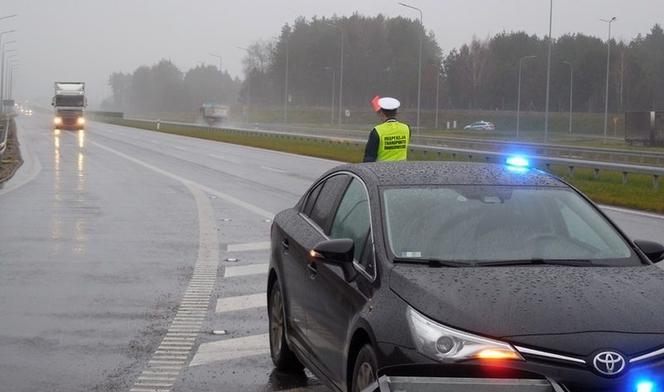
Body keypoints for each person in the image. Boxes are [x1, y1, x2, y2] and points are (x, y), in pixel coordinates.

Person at [363, 96, 411, 162]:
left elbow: (369, 157)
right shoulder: (406, 128)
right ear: (396, 112)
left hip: (382, 170)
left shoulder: (377, 131)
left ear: (382, 113)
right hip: (401, 170)